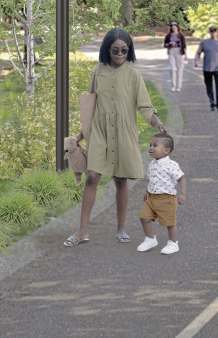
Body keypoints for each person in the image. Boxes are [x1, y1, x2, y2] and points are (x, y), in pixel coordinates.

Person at [65, 27, 168, 246]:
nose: (120, 54)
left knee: (121, 179)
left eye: (124, 50)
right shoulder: (98, 71)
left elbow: (145, 106)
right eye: (115, 50)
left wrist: (157, 122)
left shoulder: (134, 75)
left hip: (123, 132)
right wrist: (82, 133)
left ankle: (121, 228)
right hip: (99, 131)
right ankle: (82, 230)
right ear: (107, 49)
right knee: (92, 176)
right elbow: (91, 103)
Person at [135, 133, 186, 255]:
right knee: (144, 218)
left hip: (166, 198)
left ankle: (173, 243)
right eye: (150, 145)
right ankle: (150, 239)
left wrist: (182, 194)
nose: (151, 148)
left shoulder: (171, 165)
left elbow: (181, 178)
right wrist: (147, 191)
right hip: (151, 197)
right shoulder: (152, 164)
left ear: (166, 150)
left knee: (169, 222)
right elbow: (152, 180)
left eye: (155, 145)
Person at [195, 26, 218, 111]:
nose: (213, 33)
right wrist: (197, 61)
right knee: (209, 86)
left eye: (215, 31)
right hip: (207, 68)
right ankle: (212, 102)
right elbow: (198, 53)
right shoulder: (204, 42)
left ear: (217, 32)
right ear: (210, 32)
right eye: (212, 31)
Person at [162, 21, 188, 91]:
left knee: (180, 68)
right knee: (172, 68)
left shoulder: (181, 36)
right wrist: (169, 44)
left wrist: (186, 55)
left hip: (179, 51)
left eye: (175, 28)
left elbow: (184, 46)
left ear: (177, 28)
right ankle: (173, 85)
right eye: (173, 28)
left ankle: (179, 86)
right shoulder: (168, 36)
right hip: (171, 51)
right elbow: (165, 45)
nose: (174, 29)